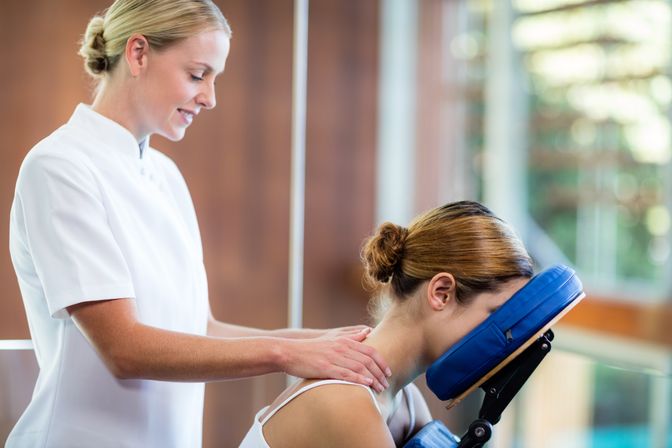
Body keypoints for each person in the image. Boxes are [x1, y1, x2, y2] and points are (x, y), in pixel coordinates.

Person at [6, 1, 390, 446]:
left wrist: (324, 341)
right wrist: (290, 354)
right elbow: (123, 349)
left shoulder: (164, 176)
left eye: (214, 77)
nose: (210, 97)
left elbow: (200, 329)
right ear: (138, 54)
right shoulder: (59, 167)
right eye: (196, 74)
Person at [239, 200, 535, 447]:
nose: (504, 337)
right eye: (495, 314)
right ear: (441, 293)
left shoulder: (405, 401)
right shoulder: (346, 402)